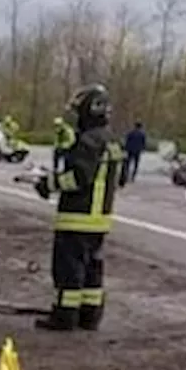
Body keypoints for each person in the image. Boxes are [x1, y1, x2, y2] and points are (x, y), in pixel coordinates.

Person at [33, 84, 124, 331]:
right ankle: (90, 315)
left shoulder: (88, 141)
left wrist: (47, 183)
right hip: (100, 219)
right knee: (93, 269)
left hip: (77, 216)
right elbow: (120, 178)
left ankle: (64, 316)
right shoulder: (112, 140)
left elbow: (77, 178)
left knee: (68, 268)